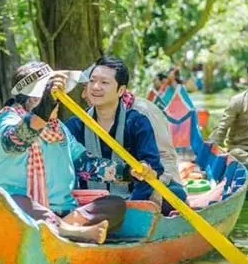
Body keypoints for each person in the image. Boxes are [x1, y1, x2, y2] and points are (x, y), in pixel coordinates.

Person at [0, 61, 154, 244]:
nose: (57, 102)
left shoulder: (59, 129)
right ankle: (70, 231)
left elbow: (86, 165)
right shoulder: (6, 119)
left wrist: (128, 172)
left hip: (66, 212)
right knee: (14, 202)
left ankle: (64, 229)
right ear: (31, 98)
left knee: (115, 205)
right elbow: (16, 141)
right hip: (24, 211)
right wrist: (45, 108)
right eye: (50, 96)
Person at [67, 56, 184, 209]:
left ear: (121, 90)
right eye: (92, 81)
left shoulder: (138, 121)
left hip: (134, 196)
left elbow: (153, 166)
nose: (95, 87)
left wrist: (132, 205)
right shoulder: (74, 125)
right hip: (87, 202)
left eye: (104, 82)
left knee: (176, 195)